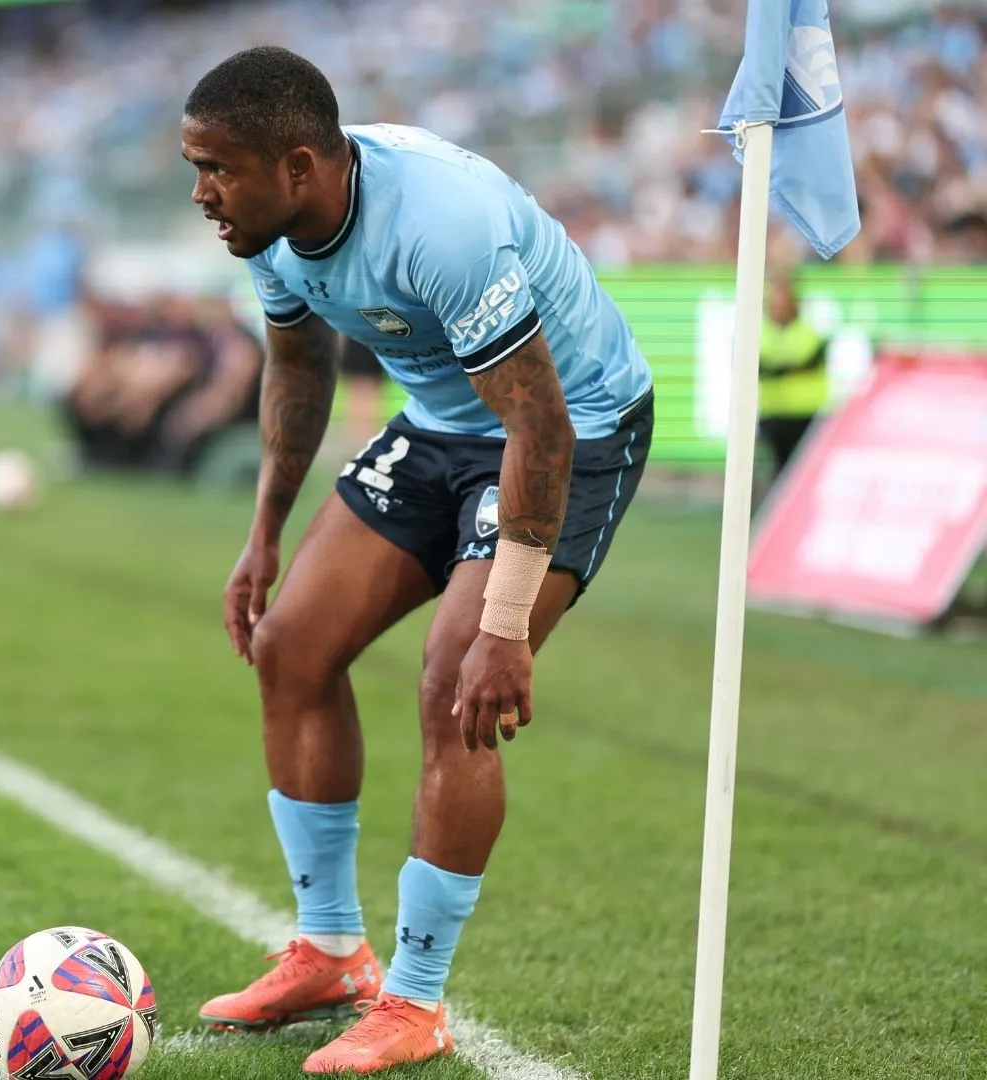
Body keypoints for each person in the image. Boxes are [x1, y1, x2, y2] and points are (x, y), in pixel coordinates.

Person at [182, 47, 654, 1074]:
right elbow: (300, 373)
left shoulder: (440, 221)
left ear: (298, 164)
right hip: (444, 425)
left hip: (577, 424)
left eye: (217, 167)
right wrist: (262, 535)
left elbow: (543, 427)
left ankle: (417, 1000)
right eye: (195, 166)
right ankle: (329, 951)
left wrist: (503, 624)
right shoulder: (264, 233)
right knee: (292, 643)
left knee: (456, 684)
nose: (201, 192)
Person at [757, 273, 829, 487]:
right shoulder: (760, 333)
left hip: (806, 415)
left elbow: (804, 362)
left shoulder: (809, 333)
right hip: (774, 416)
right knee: (779, 475)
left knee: (804, 475)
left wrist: (780, 368)